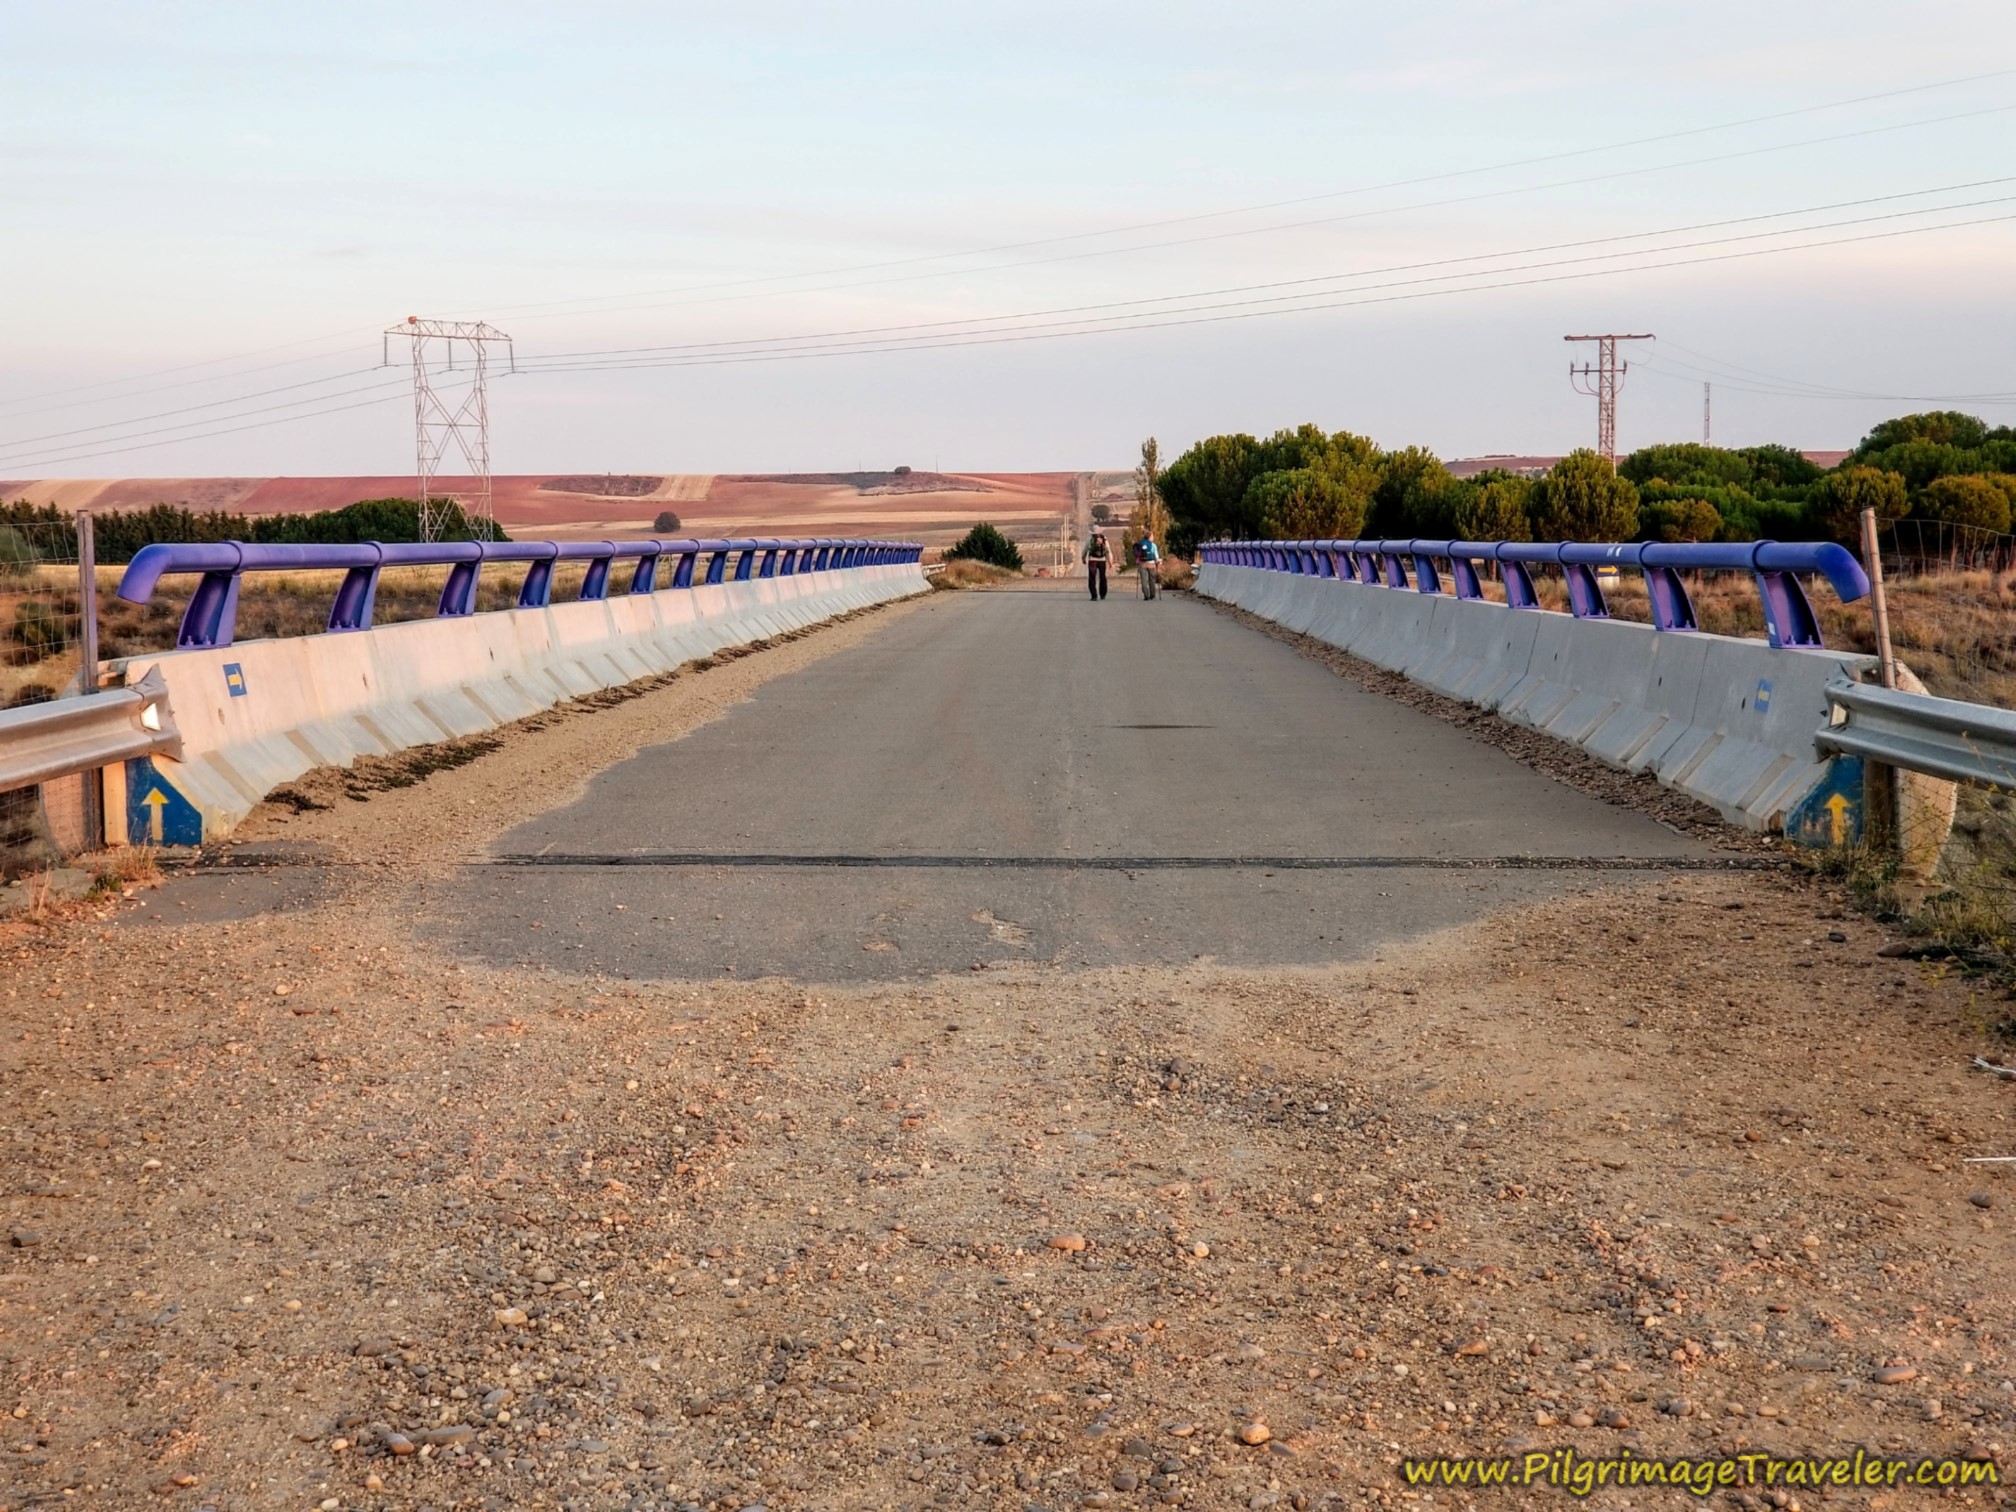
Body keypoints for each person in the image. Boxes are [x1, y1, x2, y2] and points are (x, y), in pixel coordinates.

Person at [1134, 532, 1162, 599]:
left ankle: (1146, 595)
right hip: (1151, 564)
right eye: (1152, 536)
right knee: (1152, 580)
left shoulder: (1140, 544)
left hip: (1142, 563)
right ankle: (1152, 595)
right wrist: (1157, 562)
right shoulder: (1153, 545)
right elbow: (1156, 556)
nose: (1153, 538)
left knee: (1144, 580)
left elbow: (1138, 554)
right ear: (1149, 537)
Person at [1085, 530, 1110, 600]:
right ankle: (1103, 594)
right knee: (1102, 577)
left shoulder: (1090, 538)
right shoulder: (1104, 538)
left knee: (1092, 577)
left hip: (1092, 560)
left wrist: (1083, 558)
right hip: (1102, 560)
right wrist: (1110, 560)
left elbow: (1085, 549)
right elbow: (1108, 550)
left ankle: (1094, 595)